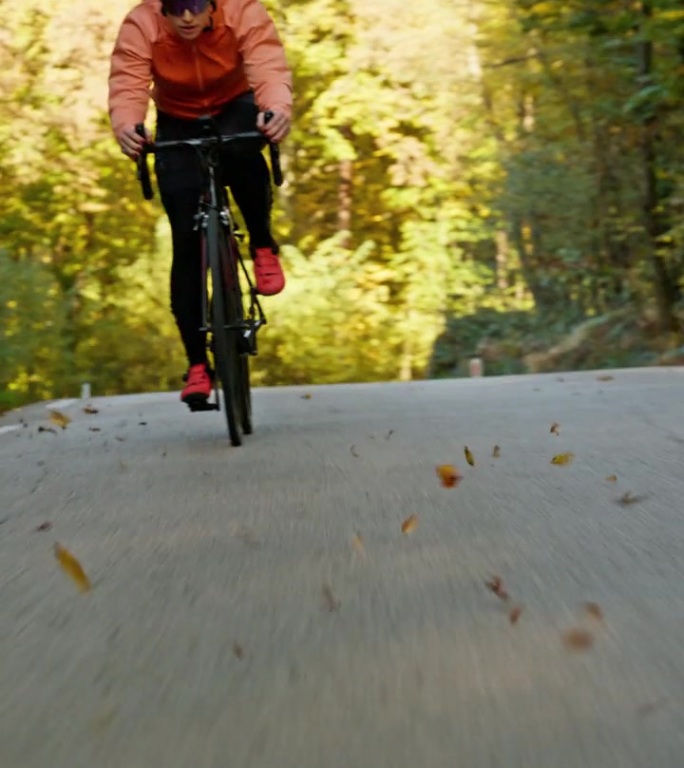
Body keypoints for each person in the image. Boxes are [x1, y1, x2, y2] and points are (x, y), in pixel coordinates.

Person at [108, 0, 292, 406]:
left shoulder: (243, 12)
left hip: (234, 104)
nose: (186, 17)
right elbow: (128, 83)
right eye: (176, 7)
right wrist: (126, 126)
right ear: (163, 9)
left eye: (195, 5)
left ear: (212, 6)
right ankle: (196, 366)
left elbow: (267, 65)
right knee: (186, 245)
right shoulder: (141, 24)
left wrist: (276, 108)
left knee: (244, 151)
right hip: (177, 117)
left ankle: (262, 243)